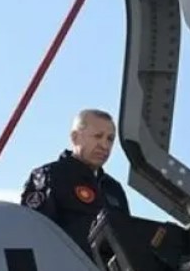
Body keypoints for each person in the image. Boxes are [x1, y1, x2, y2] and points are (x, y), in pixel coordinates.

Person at [20, 108, 130, 258]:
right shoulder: (50, 176)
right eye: (98, 136)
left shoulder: (113, 188)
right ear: (75, 137)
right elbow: (32, 233)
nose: (104, 145)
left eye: (110, 139)